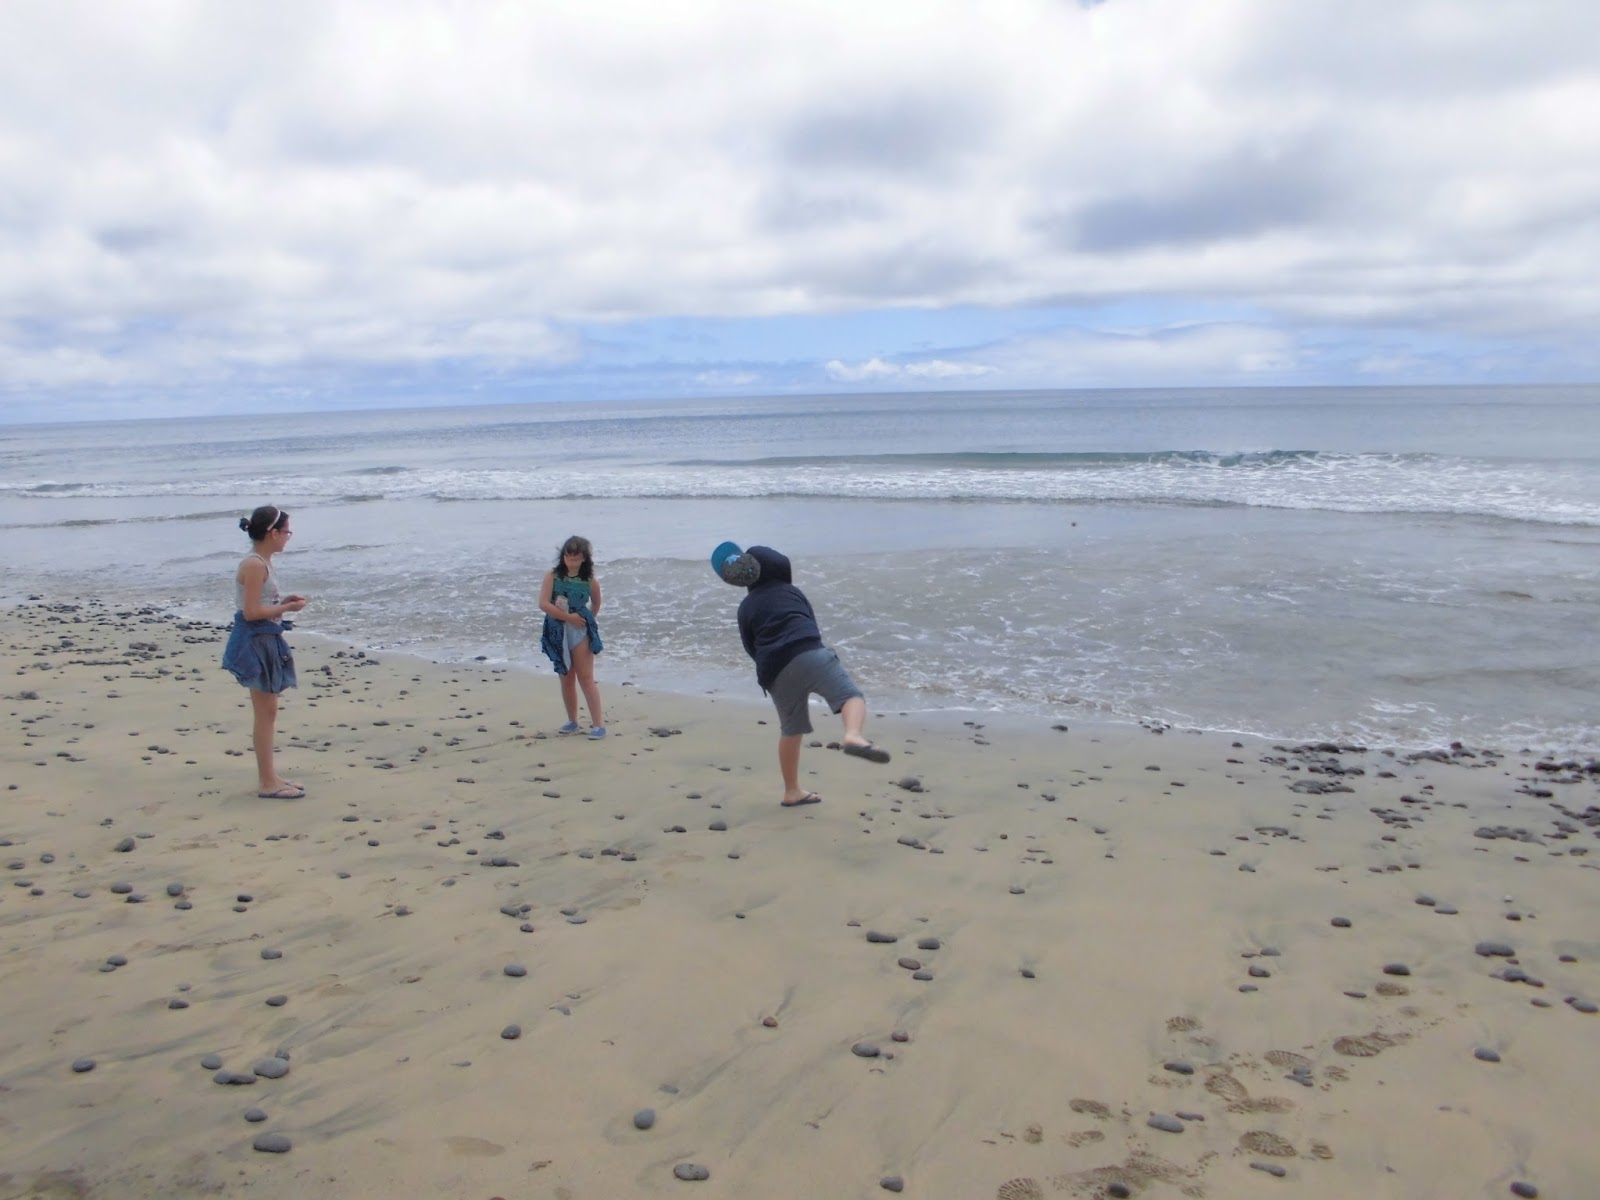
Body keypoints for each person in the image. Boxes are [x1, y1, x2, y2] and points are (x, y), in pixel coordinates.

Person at [728, 544, 889, 807]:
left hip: (774, 670)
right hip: (809, 652)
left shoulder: (746, 606)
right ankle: (853, 734)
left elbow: (750, 645)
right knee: (851, 697)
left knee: (791, 729)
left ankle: (791, 791)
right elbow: (810, 623)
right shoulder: (793, 593)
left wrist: (769, 668)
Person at [221, 505, 308, 798]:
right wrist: (287, 608)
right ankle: (267, 782)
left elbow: (258, 605)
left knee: (268, 711)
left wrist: (281, 603)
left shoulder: (262, 563)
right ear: (273, 533)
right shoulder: (255, 564)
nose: (288, 538)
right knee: (264, 712)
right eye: (286, 532)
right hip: (255, 639)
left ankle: (271, 776)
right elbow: (250, 612)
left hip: (264, 636)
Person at [539, 535, 605, 738]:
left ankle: (598, 725)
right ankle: (572, 721)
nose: (571, 561)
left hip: (580, 632)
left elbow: (596, 603)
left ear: (584, 558)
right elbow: (543, 603)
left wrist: (587, 620)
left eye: (575, 558)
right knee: (566, 678)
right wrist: (568, 618)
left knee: (586, 678)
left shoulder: (590, 580)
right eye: (568, 557)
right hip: (558, 630)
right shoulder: (552, 575)